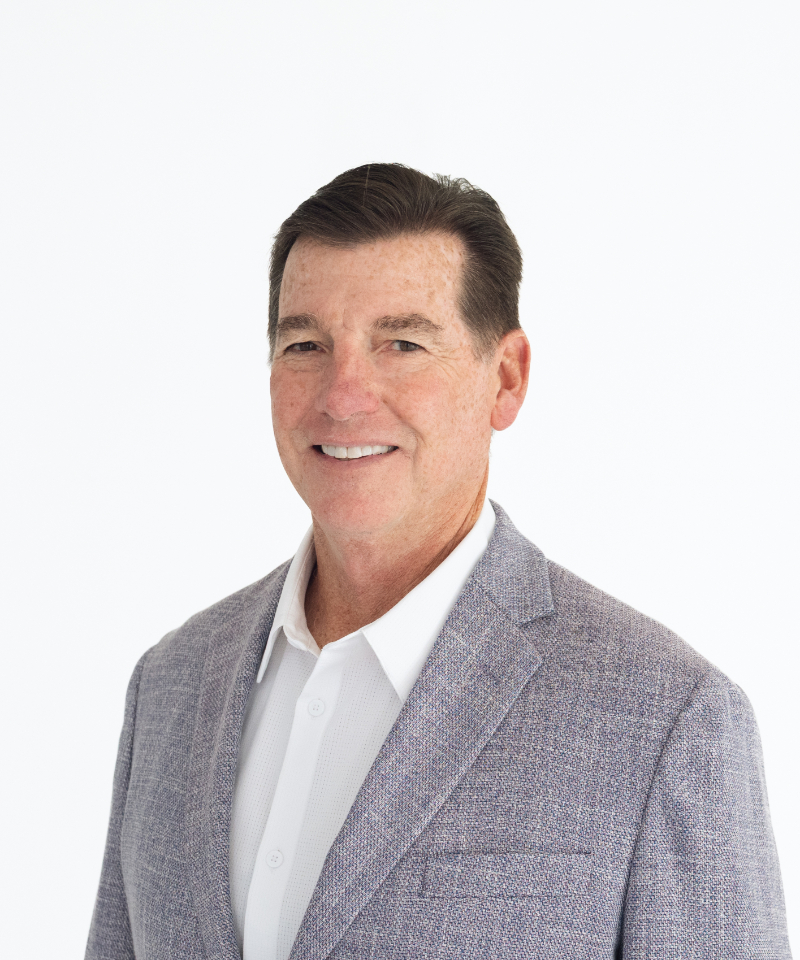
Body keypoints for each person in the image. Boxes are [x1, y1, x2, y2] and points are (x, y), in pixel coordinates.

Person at [85, 163, 792, 960]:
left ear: (507, 378)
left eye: (403, 343)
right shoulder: (171, 686)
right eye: (306, 344)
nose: (343, 395)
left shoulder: (665, 718)